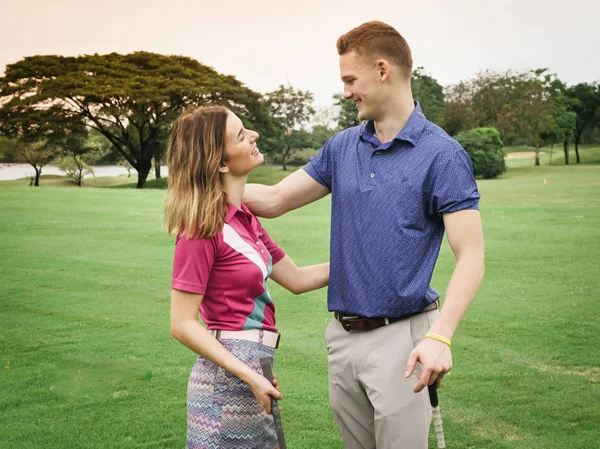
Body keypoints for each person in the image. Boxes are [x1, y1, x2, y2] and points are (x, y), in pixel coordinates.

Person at [243, 21, 485, 449]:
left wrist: (440, 336)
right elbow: (276, 198)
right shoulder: (342, 147)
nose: (346, 91)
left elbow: (471, 256)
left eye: (350, 80)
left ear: (382, 70)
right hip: (342, 338)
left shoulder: (443, 155)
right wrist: (202, 185)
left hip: (405, 339)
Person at [166, 105, 329, 449]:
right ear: (222, 163)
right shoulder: (200, 230)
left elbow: (298, 279)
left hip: (255, 367)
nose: (254, 136)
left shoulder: (246, 221)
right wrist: (247, 373)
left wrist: (367, 262)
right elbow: (182, 323)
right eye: (241, 135)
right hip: (227, 378)